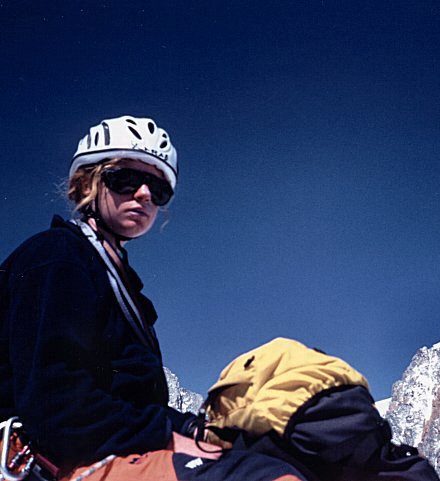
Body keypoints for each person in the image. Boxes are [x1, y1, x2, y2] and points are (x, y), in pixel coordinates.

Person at [0, 115, 306, 481]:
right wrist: (173, 437)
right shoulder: (56, 258)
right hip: (56, 461)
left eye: (158, 189)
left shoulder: (116, 280)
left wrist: (196, 430)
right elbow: (57, 410)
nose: (143, 194)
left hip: (107, 450)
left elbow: (131, 404)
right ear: (88, 182)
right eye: (125, 178)